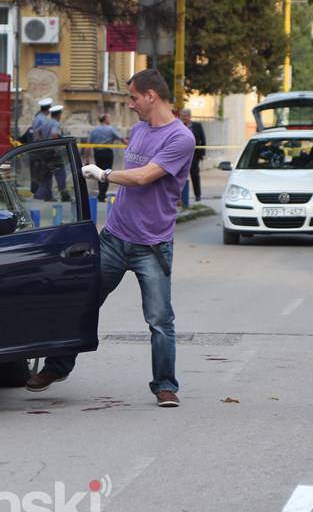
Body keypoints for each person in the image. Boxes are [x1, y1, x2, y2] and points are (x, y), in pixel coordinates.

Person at [26, 69, 196, 407]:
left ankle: (165, 385)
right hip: (115, 238)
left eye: (133, 97)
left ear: (151, 96)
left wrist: (105, 174)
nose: (130, 104)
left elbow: (146, 176)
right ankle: (56, 367)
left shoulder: (181, 138)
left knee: (159, 319)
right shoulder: (138, 129)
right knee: (83, 302)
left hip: (153, 245)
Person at [87, 113, 127, 202]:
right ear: (105, 119)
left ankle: (101, 193)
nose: (110, 120)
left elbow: (88, 144)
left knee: (99, 173)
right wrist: (130, 146)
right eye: (108, 118)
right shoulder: (110, 129)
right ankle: (102, 194)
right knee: (107, 173)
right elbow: (121, 138)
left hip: (97, 153)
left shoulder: (94, 130)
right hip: (107, 153)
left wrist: (87, 158)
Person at [34, 105, 70, 202]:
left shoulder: (46, 123)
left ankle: (46, 195)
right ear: (58, 115)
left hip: (44, 152)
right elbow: (54, 134)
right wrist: (55, 146)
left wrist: (43, 143)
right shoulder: (55, 124)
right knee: (60, 173)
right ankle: (64, 194)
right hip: (53, 152)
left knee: (46, 174)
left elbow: (37, 133)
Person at [179, 109, 206, 205]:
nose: (183, 118)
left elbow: (203, 139)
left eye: (185, 116)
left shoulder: (197, 126)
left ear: (189, 116)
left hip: (194, 155)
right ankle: (180, 197)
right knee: (181, 176)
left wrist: (202, 154)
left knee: (195, 175)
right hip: (182, 155)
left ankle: (197, 195)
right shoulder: (179, 126)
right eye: (182, 116)